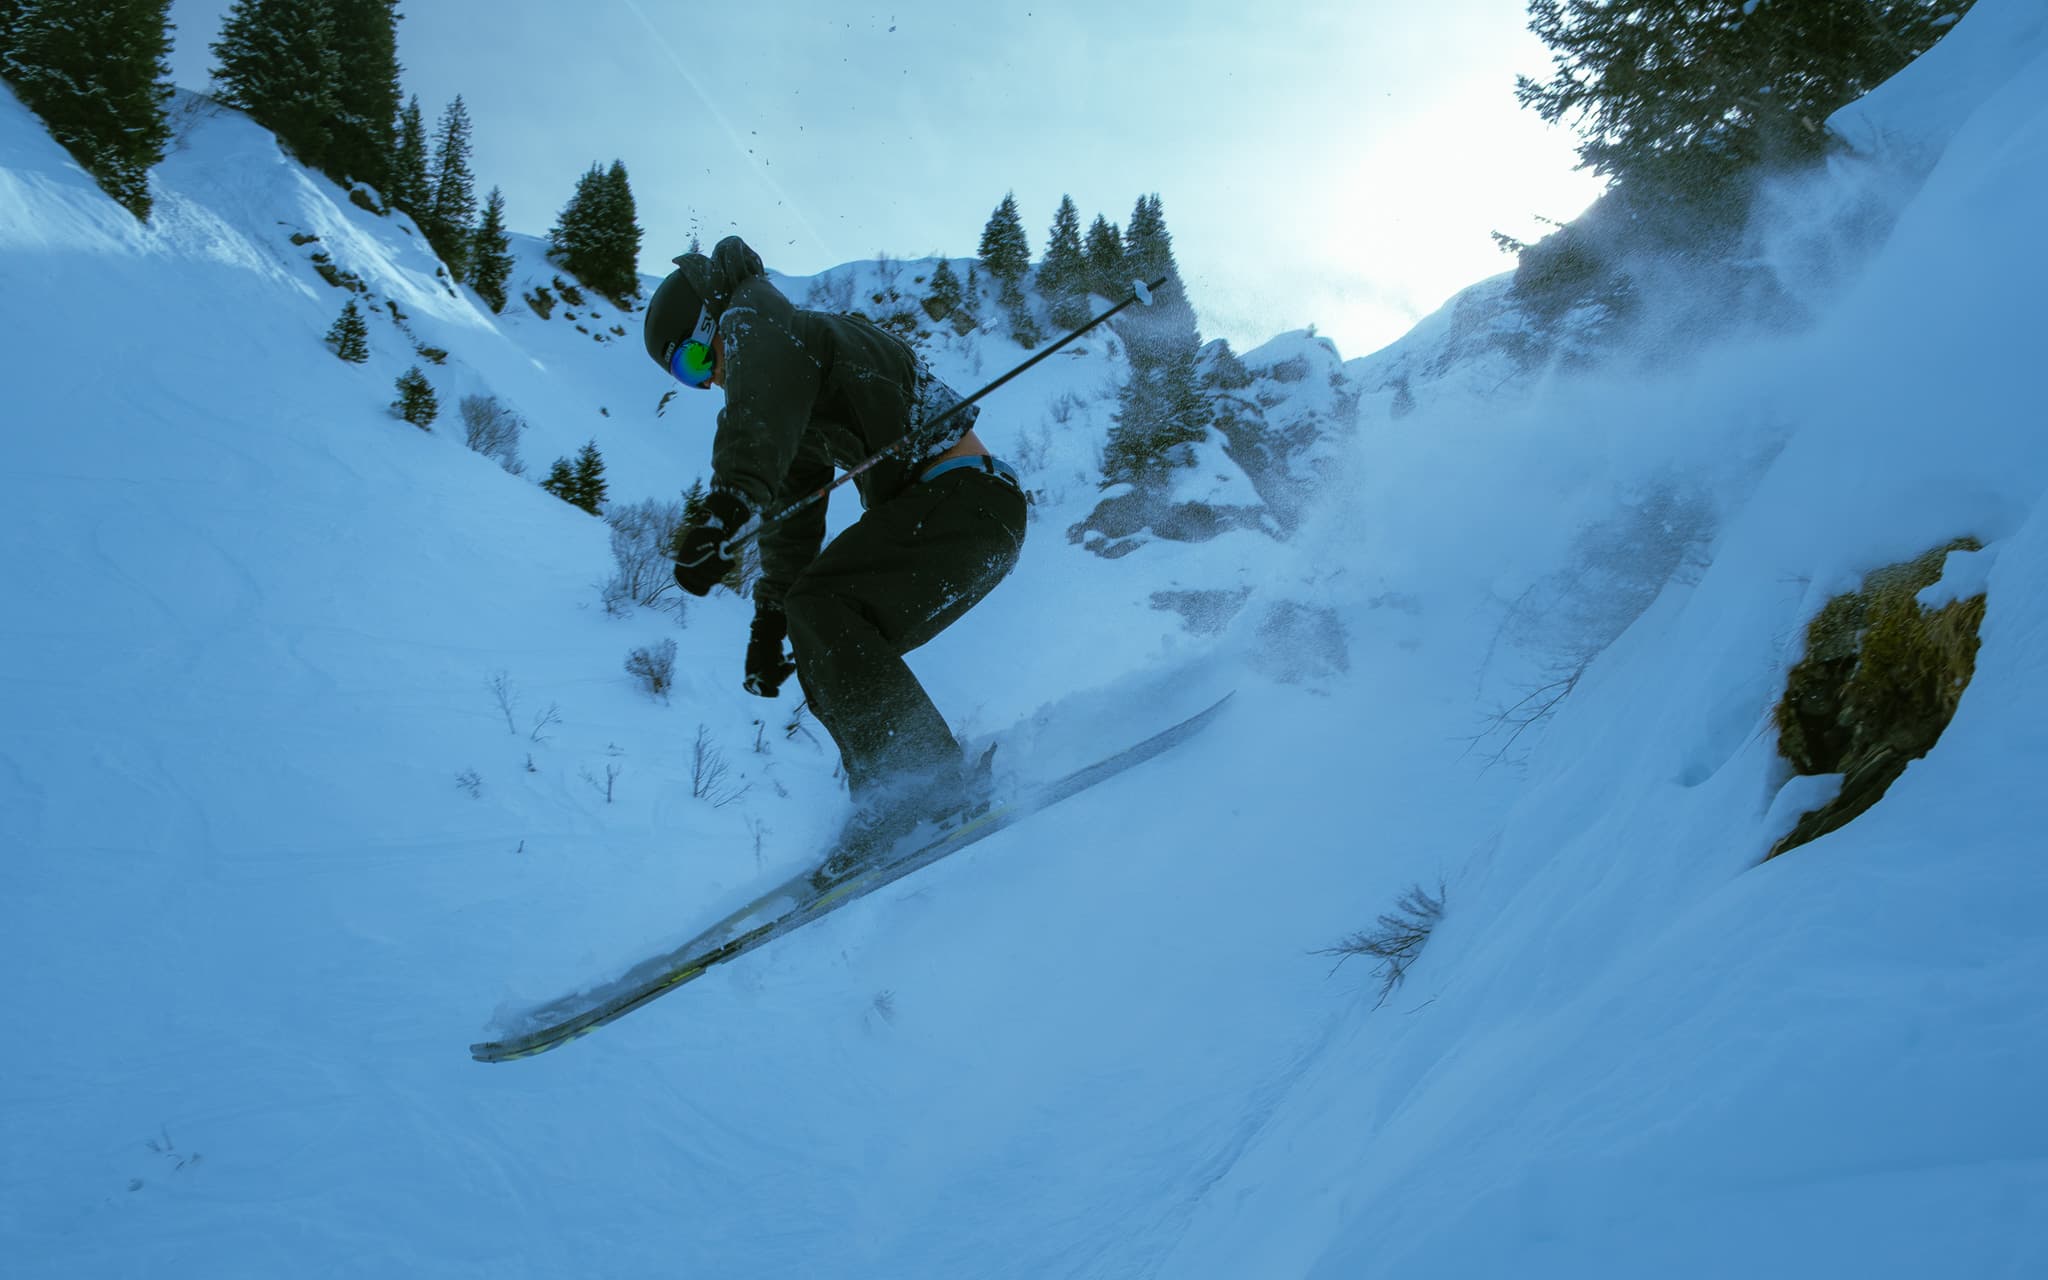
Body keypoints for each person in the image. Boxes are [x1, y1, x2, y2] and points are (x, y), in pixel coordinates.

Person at [644, 236, 1027, 871]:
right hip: (971, 520)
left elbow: (756, 409)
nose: (704, 378)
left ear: (713, 323)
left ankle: (926, 786)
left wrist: (723, 506)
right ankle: (895, 793)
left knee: (824, 608)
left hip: (968, 505)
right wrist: (771, 616)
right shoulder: (790, 363)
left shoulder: (761, 323)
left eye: (691, 358)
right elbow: (794, 502)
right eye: (686, 377)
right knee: (821, 632)